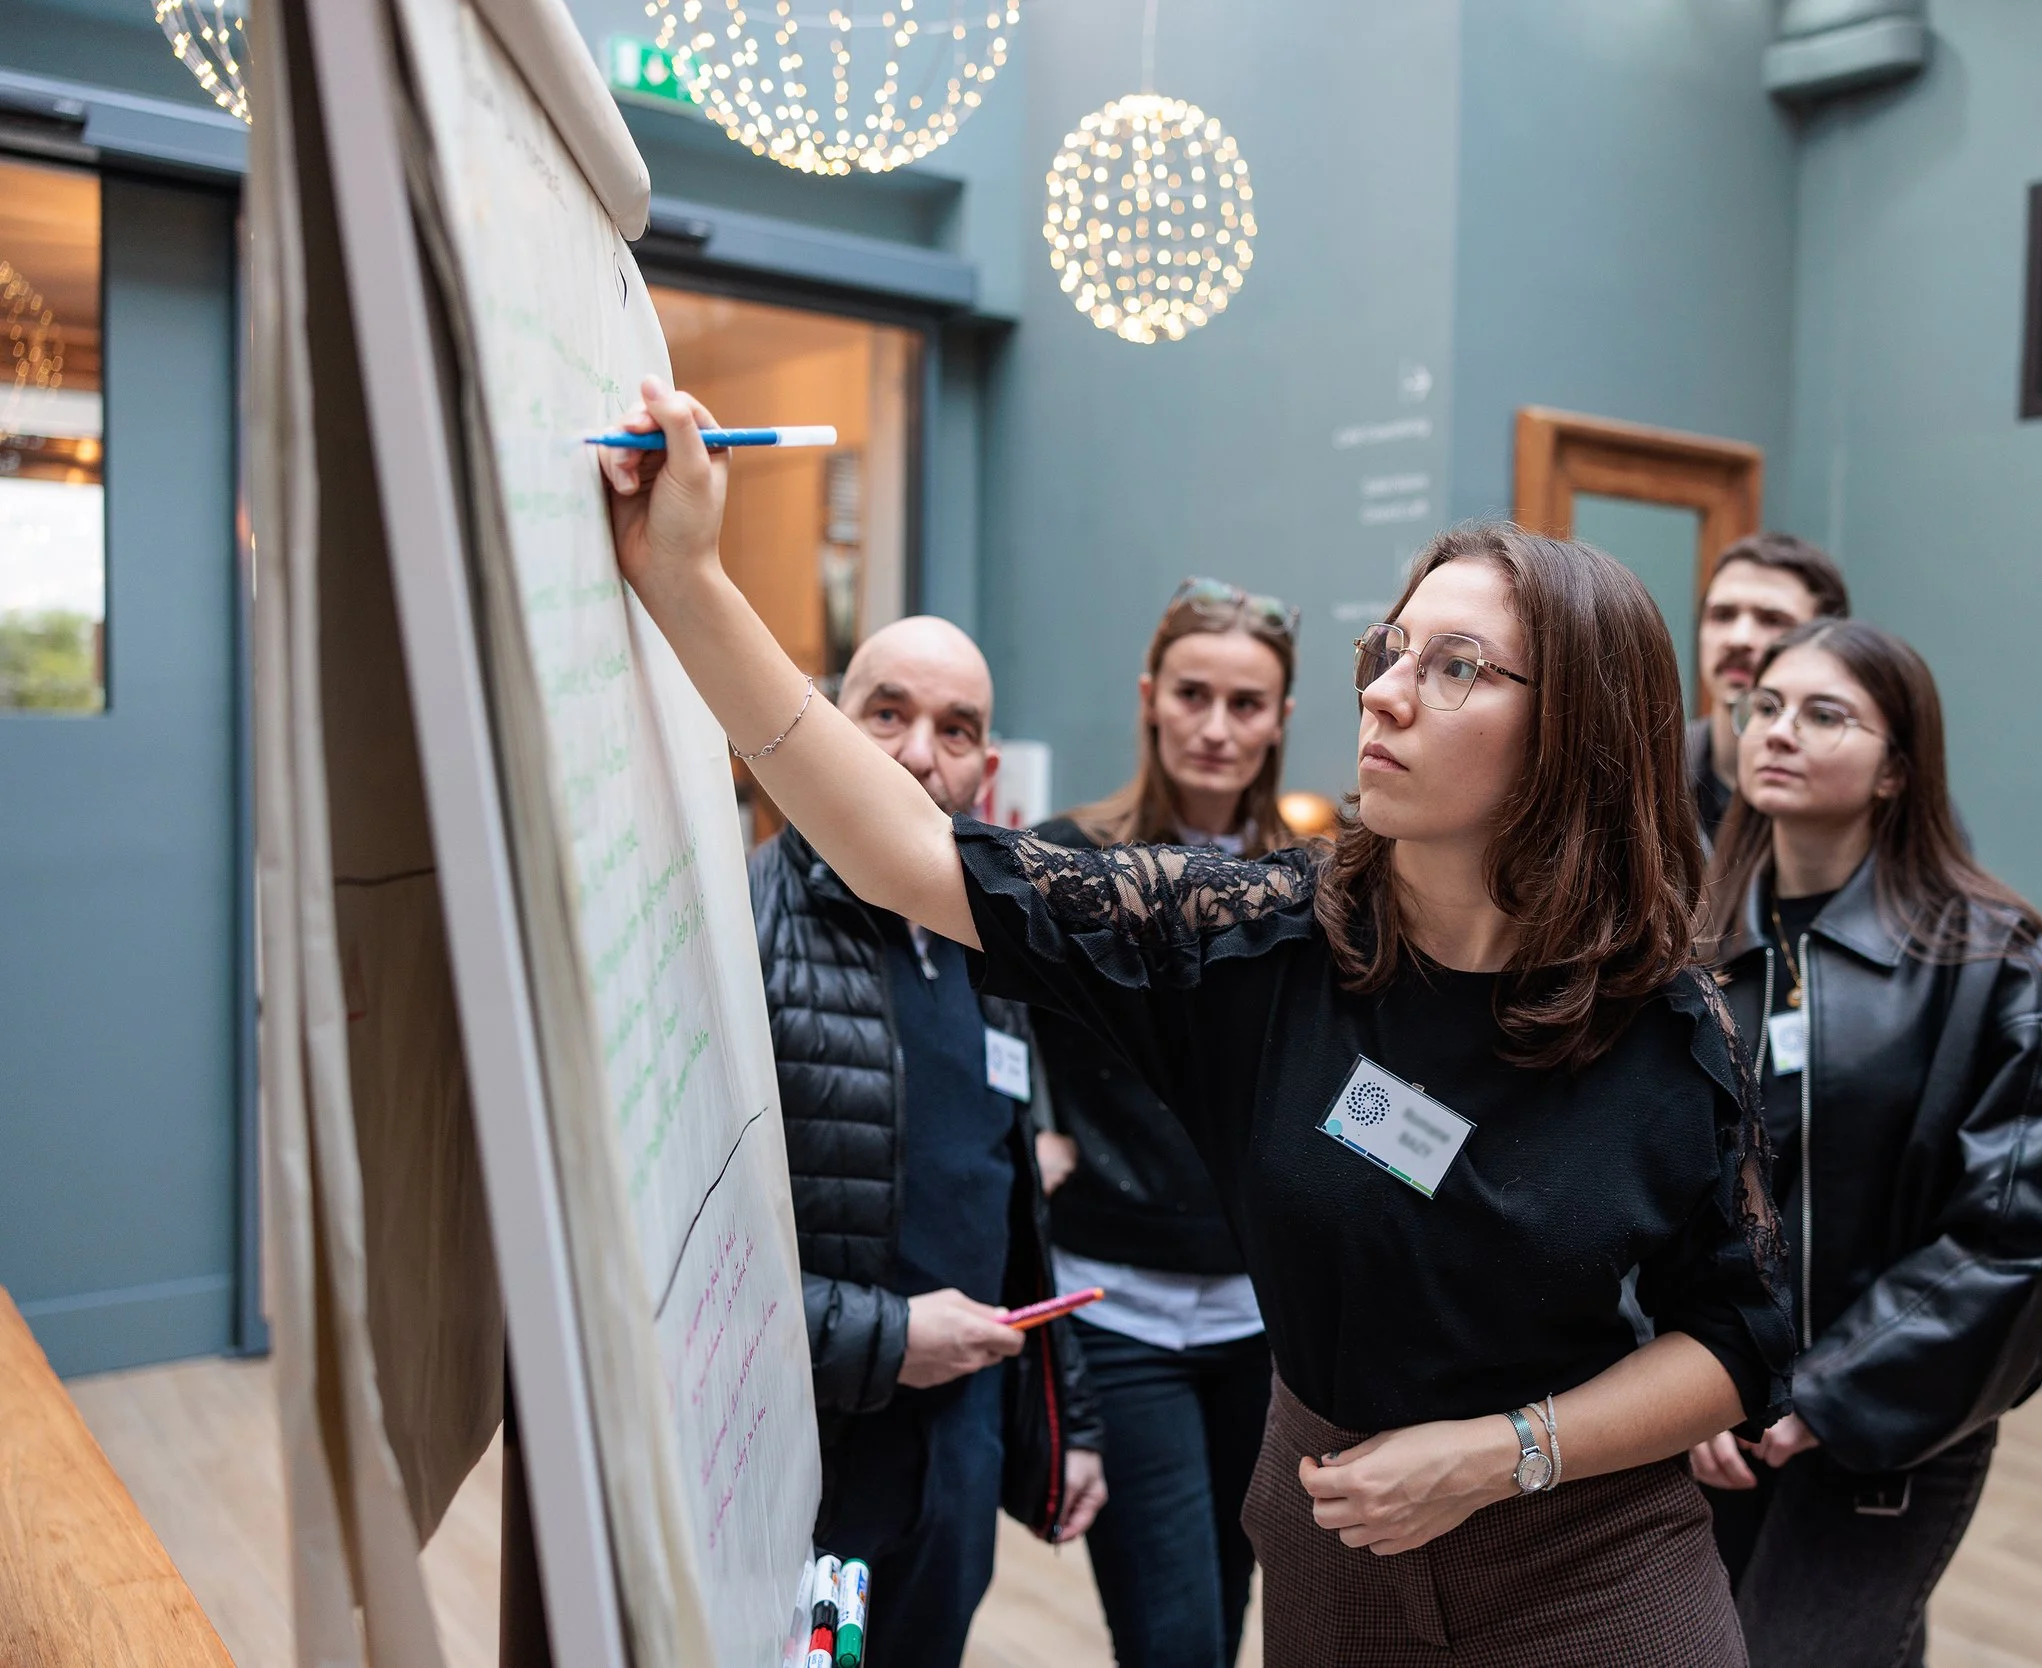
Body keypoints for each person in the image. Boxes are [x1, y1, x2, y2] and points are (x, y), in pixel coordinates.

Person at [599, 382, 1792, 1668]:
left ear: (1575, 732)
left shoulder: (1662, 1017)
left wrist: (1505, 1455)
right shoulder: (1260, 941)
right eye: (1387, 652)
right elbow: (904, 853)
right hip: (1344, 1543)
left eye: (1453, 668)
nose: (1386, 695)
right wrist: (687, 582)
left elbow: (1738, 1339)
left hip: (1590, 1564)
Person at [1685, 618, 2042, 1667]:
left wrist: (1827, 1394)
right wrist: (1672, 1381)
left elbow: (2012, 1243)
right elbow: (1641, 1192)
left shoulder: (1992, 962)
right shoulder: (1692, 947)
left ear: (1894, 770)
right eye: (1765, 707)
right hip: (1706, 1420)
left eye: (1825, 715)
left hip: (1889, 1423)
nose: (1779, 731)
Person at [746, 613, 1107, 1668]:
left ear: (985, 769)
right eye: (886, 714)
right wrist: (893, 1338)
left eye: (954, 732)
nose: (916, 754)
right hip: (811, 1466)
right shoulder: (739, 928)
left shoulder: (982, 939)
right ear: (824, 725)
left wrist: (1067, 1414)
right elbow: (679, 1279)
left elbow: (1008, 1198)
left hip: (960, 1448)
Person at [1032, 576, 1299, 1668]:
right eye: (1194, 694)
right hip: (1119, 1309)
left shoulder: (1317, 882)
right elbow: (1000, 1031)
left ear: (1282, 719)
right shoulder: (1068, 860)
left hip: (1263, 1323)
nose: (1216, 727)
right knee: (1172, 1638)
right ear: (1150, 696)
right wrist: (1030, 1139)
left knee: (1230, 1611)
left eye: (1247, 704)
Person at [1687, 533, 1850, 846]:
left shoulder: (1864, 794)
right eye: (1722, 615)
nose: (1739, 638)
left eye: (1772, 620)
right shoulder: (1649, 775)